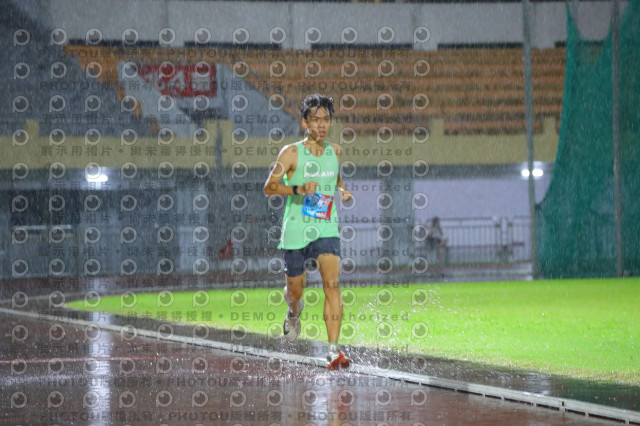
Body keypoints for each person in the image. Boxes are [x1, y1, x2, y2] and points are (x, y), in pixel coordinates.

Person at [263, 94, 353, 370]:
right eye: (316, 120)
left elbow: (335, 176)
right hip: (296, 231)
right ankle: (293, 311)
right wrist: (299, 189)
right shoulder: (291, 152)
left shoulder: (335, 151)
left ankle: (333, 350)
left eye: (326, 119)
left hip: (326, 227)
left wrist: (342, 189)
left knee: (332, 284)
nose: (322, 125)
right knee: (295, 291)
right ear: (305, 123)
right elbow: (269, 186)